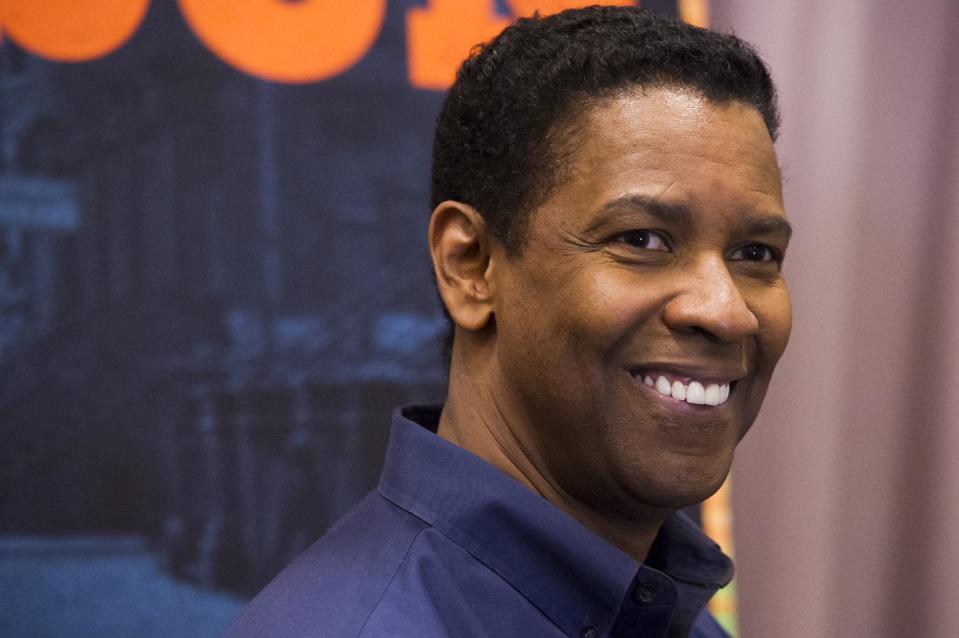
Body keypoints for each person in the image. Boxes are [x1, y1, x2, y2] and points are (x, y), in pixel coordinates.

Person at [225, 6, 791, 637]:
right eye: (643, 240)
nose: (725, 310)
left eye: (754, 254)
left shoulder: (664, 614)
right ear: (470, 265)